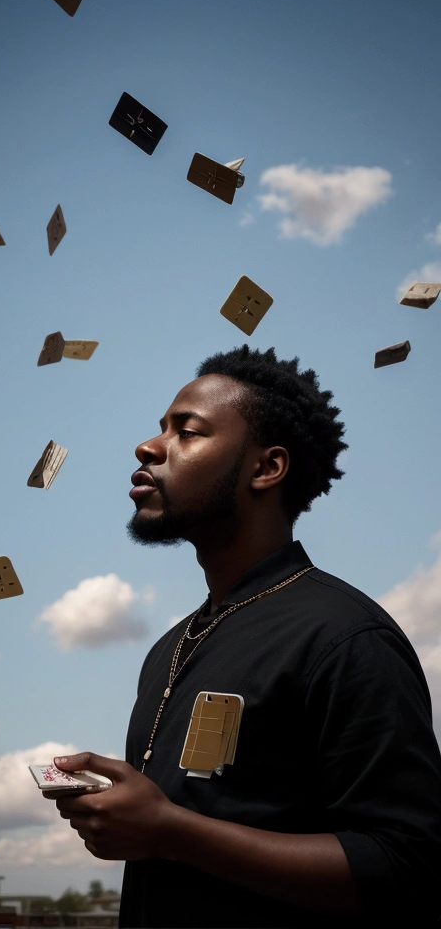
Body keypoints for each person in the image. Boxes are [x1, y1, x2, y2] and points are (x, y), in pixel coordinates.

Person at [50, 345, 441, 927]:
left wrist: (170, 830)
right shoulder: (171, 646)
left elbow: (408, 864)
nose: (148, 447)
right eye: (160, 429)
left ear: (266, 468)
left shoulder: (345, 637)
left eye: (187, 431)